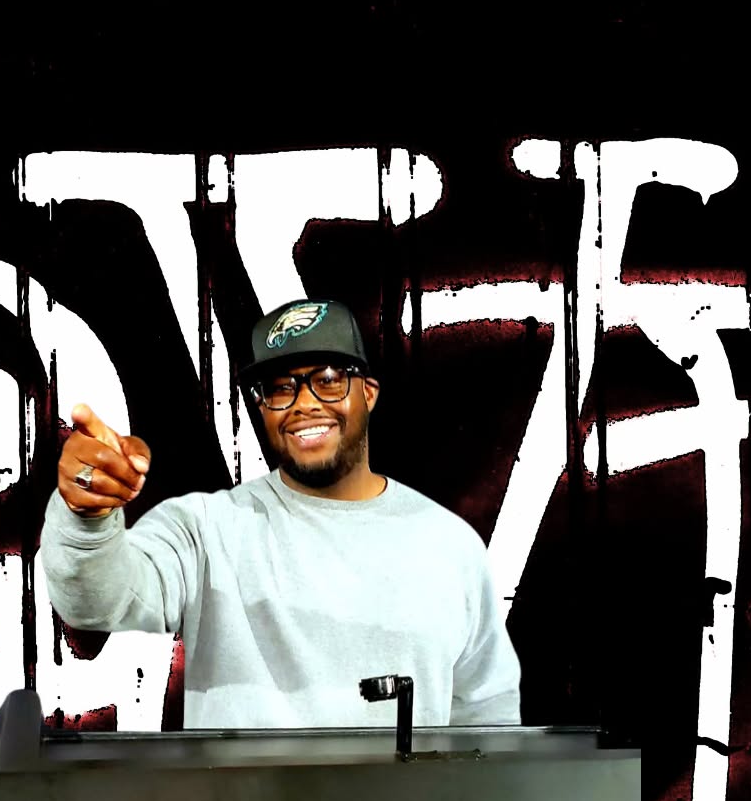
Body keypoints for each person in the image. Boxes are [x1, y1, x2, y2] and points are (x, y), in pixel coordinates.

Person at [39, 299, 521, 728]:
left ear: (368, 393)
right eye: (280, 387)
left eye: (329, 381)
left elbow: (486, 721)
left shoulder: (448, 545)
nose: (304, 404)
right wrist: (87, 517)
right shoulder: (207, 531)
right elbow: (97, 604)